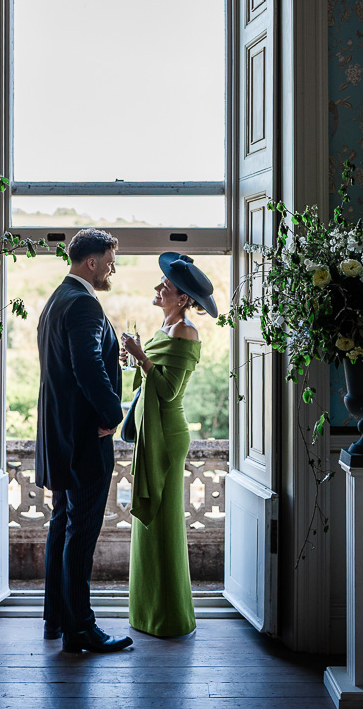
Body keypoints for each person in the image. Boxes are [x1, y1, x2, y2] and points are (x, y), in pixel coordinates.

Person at [35, 227, 133, 654]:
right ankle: (81, 629)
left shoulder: (57, 300)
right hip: (83, 440)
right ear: (91, 262)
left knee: (62, 526)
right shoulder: (84, 306)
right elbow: (87, 367)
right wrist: (114, 414)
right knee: (81, 532)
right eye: (110, 260)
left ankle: (56, 617)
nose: (113, 268)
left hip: (59, 437)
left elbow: (76, 368)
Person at [121, 252, 218, 638]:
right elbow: (148, 380)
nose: (159, 288)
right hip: (153, 430)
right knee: (149, 528)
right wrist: (136, 358)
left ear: (182, 299)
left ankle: (169, 616)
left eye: (167, 286)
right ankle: (147, 613)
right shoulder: (167, 325)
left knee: (162, 524)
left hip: (168, 434)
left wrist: (141, 356)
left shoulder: (185, 332)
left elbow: (166, 389)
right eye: (162, 283)